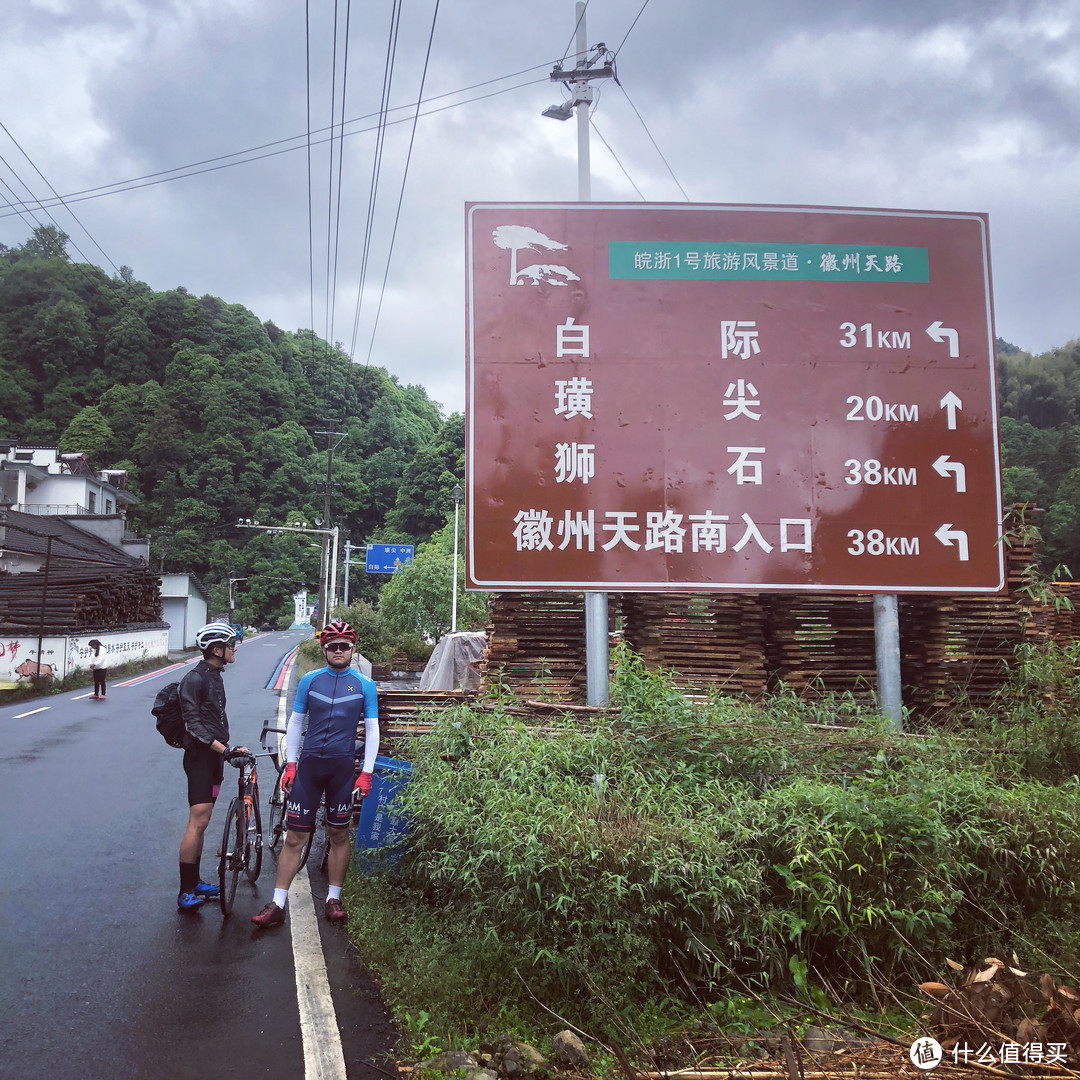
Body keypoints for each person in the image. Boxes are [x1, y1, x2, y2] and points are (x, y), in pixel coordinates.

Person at [252, 618, 379, 927]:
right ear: (324, 649)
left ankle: (334, 898)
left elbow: (373, 730)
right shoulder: (310, 680)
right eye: (332, 646)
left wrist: (367, 772)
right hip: (309, 767)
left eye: (344, 646)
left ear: (352, 649)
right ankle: (277, 903)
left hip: (341, 769)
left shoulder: (365, 685)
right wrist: (291, 763)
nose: (338, 651)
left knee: (338, 834)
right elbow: (296, 723)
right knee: (294, 836)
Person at [176, 621, 249, 911]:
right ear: (217, 649)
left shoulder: (214, 675)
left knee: (203, 822)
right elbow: (192, 725)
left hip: (214, 758)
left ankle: (195, 883)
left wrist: (227, 750)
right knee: (197, 821)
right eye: (231, 645)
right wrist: (225, 749)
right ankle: (185, 891)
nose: (234, 649)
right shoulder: (194, 679)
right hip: (200, 759)